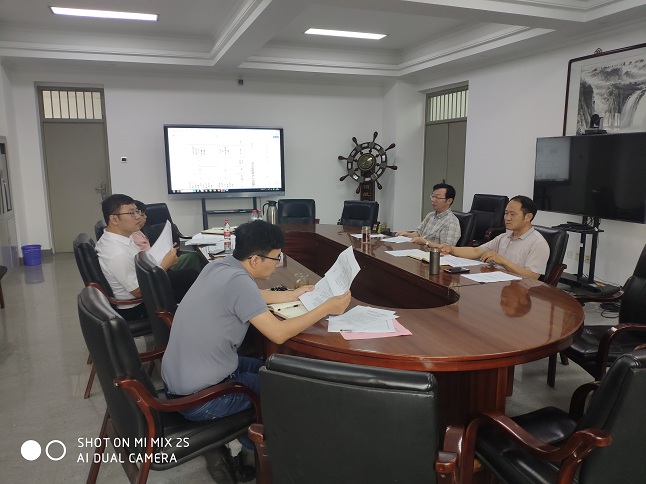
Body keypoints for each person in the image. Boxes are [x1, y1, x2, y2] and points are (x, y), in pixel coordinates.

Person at [161, 220, 351, 482]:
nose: (278, 263)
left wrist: (293, 295)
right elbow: (278, 333)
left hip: (184, 380)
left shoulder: (220, 266)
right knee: (281, 389)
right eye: (276, 258)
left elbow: (253, 296)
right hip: (201, 398)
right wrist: (326, 308)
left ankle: (244, 439)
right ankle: (255, 449)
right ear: (254, 260)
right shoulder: (238, 282)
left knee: (270, 369)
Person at [96, 194, 199, 320]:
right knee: (190, 278)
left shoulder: (117, 237)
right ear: (114, 219)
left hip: (143, 285)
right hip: (137, 307)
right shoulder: (118, 253)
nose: (137, 216)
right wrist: (164, 265)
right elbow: (138, 291)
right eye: (131, 213)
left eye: (137, 211)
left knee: (189, 276)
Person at [438, 195, 549, 279]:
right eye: (506, 213)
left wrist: (504, 261)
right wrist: (451, 249)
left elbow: (532, 276)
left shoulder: (538, 243)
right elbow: (476, 251)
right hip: (495, 281)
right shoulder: (504, 237)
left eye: (512, 214)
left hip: (517, 289)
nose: (507, 218)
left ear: (528, 217)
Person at [130, 200, 205, 272]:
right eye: (143, 214)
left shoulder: (138, 231)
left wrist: (166, 250)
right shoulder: (134, 236)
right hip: (159, 265)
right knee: (193, 257)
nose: (146, 217)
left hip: (158, 261)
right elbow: (148, 259)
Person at [396, 183, 461, 248]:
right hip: (419, 250)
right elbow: (418, 233)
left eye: (437, 197)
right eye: (433, 196)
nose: (433, 200)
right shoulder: (430, 215)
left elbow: (446, 248)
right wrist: (407, 235)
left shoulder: (451, 222)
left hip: (433, 253)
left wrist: (426, 242)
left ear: (449, 201)